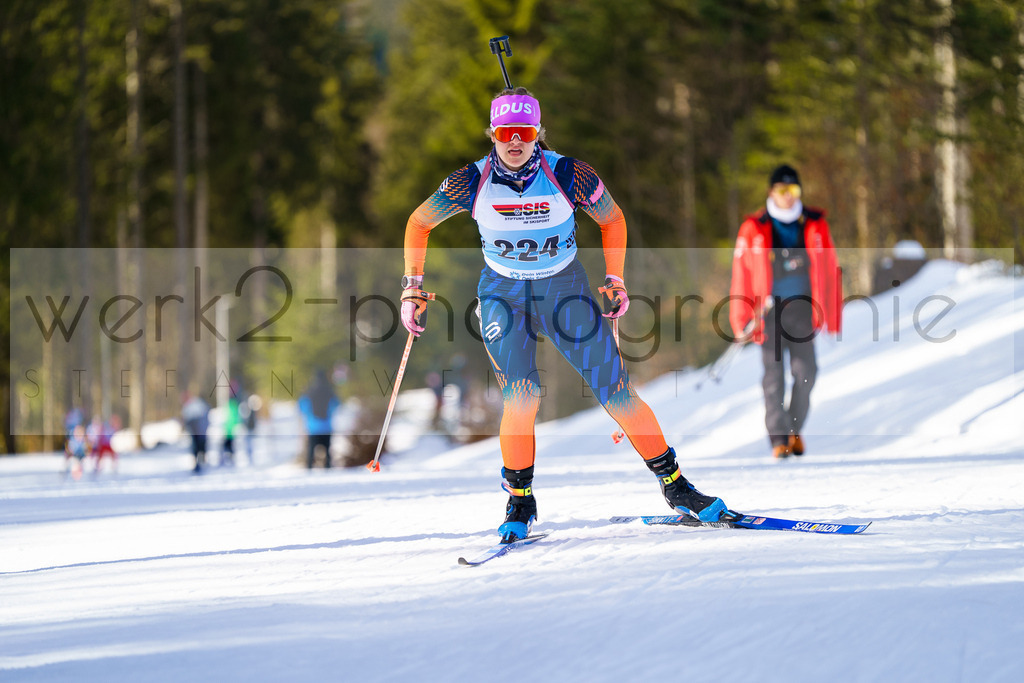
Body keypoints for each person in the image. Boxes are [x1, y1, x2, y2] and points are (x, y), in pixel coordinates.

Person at [400, 86, 729, 543]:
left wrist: (615, 278)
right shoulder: (469, 182)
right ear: (492, 134)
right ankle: (519, 497)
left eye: (525, 131)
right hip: (503, 294)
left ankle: (676, 487)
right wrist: (411, 289)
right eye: (505, 132)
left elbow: (612, 220)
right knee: (523, 395)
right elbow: (419, 223)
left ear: (538, 134)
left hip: (563, 289)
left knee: (617, 395)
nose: (515, 141)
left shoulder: (569, 175)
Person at [729, 164, 843, 459]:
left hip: (804, 310)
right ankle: (778, 439)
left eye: (793, 190)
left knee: (807, 373)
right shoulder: (754, 227)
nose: (788, 197)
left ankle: (794, 430)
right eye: (782, 190)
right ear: (771, 192)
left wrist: (831, 312)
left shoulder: (815, 223)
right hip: (767, 313)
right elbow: (740, 274)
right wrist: (740, 317)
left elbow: (830, 270)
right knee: (774, 378)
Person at [298, 369, 340, 468]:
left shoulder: (309, 391)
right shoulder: (329, 391)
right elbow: (336, 404)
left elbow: (302, 405)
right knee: (328, 450)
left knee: (311, 450)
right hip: (326, 426)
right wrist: (329, 412)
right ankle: (328, 468)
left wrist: (308, 414)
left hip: (313, 426)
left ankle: (309, 469)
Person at [181, 392, 211, 473]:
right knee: (195, 448)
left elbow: (205, 417)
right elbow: (186, 421)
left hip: (200, 432)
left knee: (201, 446)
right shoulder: (186, 407)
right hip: (194, 433)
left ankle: (202, 462)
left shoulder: (197, 404)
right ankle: (197, 463)